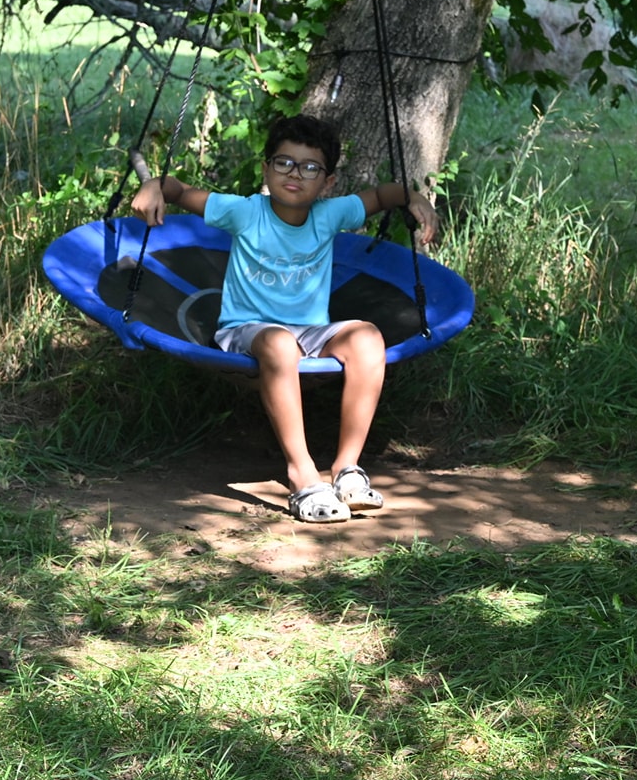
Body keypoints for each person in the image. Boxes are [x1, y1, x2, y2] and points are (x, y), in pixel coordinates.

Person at [131, 113, 439, 524]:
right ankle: (302, 473)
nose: (295, 174)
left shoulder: (330, 215)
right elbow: (180, 190)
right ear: (266, 168)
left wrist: (413, 198)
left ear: (327, 182)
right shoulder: (243, 212)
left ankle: (346, 470)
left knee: (367, 337)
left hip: (309, 330)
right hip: (248, 329)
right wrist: (154, 186)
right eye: (284, 162)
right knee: (279, 342)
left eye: (310, 167)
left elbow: (381, 196)